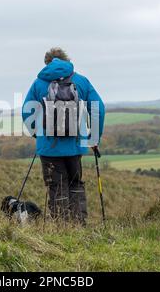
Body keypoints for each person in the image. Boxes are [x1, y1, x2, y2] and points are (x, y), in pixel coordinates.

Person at [22, 47, 105, 224]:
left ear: (47, 63)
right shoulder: (81, 81)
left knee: (56, 187)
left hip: (48, 147)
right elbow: (98, 108)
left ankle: (61, 228)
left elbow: (26, 112)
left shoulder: (39, 83)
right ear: (66, 60)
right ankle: (79, 225)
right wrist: (94, 138)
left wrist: (37, 133)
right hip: (75, 145)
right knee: (75, 185)